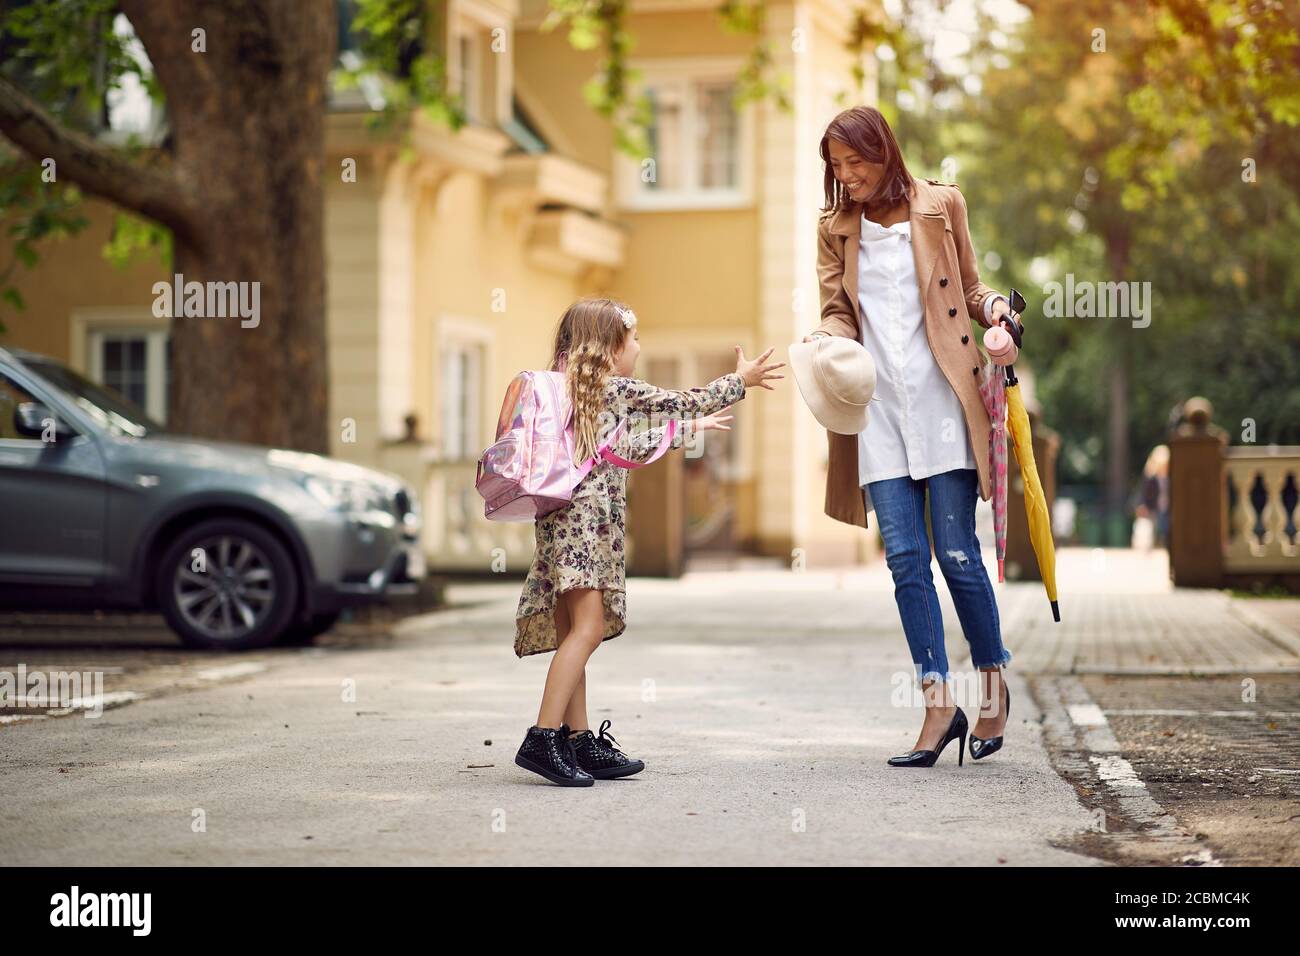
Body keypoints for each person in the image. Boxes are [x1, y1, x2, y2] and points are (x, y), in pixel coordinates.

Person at [803, 106, 1018, 767]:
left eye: (856, 162)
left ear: (884, 152)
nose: (847, 176)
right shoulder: (836, 227)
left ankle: (992, 686)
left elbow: (974, 289)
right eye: (837, 166)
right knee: (903, 561)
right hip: (879, 414)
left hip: (942, 402)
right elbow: (838, 311)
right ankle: (935, 704)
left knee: (956, 554)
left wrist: (999, 313)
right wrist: (823, 342)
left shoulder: (940, 205)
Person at [513, 296, 785, 786]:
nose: (638, 347)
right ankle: (542, 737)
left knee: (574, 630)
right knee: (588, 630)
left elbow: (614, 449)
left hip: (558, 527)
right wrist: (738, 382)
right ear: (610, 347)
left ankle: (576, 740)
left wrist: (684, 431)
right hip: (585, 532)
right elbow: (679, 399)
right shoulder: (612, 388)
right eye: (633, 339)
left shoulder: (569, 391)